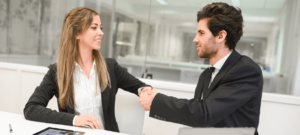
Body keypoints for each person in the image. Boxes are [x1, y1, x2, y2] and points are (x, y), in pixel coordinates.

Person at [139, 2, 263, 135]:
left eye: (201, 33)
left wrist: (156, 100)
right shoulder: (207, 74)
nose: (195, 39)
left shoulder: (246, 70)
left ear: (221, 36)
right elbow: (198, 119)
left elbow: (204, 114)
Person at [24, 7, 152, 132]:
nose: (101, 32)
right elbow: (31, 109)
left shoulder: (110, 67)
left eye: (100, 28)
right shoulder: (57, 72)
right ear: (77, 33)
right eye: (94, 27)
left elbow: (139, 86)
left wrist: (144, 91)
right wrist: (75, 120)